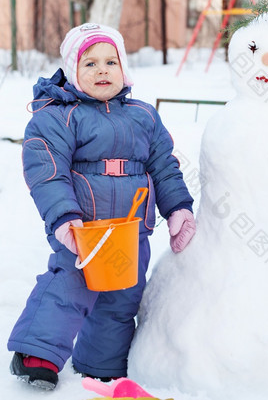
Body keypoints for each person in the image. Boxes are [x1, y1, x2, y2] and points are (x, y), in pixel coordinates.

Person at [7, 22, 196, 390]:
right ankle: (38, 353)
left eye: (111, 62)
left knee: (121, 299)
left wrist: (178, 208)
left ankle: (102, 364)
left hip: (131, 231)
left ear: (124, 68)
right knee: (69, 287)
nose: (102, 71)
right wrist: (64, 218)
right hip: (83, 230)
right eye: (89, 63)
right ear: (72, 71)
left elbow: (164, 166)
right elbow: (46, 171)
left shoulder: (143, 115)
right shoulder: (58, 116)